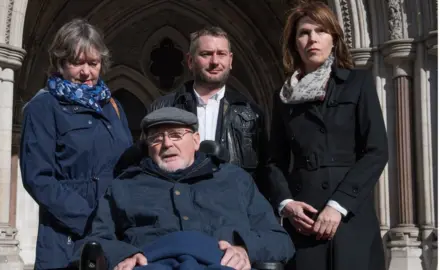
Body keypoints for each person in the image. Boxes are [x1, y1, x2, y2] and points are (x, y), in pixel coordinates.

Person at [80, 107, 295, 270]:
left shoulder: (234, 180)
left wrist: (246, 249)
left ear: (196, 140)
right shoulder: (124, 186)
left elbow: (279, 240)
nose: (167, 144)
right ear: (148, 148)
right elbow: (94, 242)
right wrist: (123, 255)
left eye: (176, 135)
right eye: (156, 138)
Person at [268, 2, 388, 270]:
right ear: (294, 43)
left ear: (333, 39)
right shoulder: (283, 97)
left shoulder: (358, 83)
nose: (312, 39)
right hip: (303, 220)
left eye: (321, 31)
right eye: (304, 32)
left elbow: (376, 150)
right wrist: (286, 204)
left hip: (350, 215)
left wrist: (338, 205)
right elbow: (273, 161)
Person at [20, 18, 133, 269]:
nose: (86, 72)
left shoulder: (112, 106)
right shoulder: (43, 107)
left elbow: (128, 164)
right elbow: (38, 178)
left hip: (114, 231)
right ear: (60, 63)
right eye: (77, 63)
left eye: (93, 63)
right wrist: (89, 217)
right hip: (67, 234)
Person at [149, 26, 272, 199]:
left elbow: (265, 173)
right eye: (206, 54)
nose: (215, 61)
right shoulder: (163, 109)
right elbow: (148, 167)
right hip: (179, 208)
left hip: (232, 208)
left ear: (230, 60)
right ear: (190, 61)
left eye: (221, 54)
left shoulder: (251, 113)